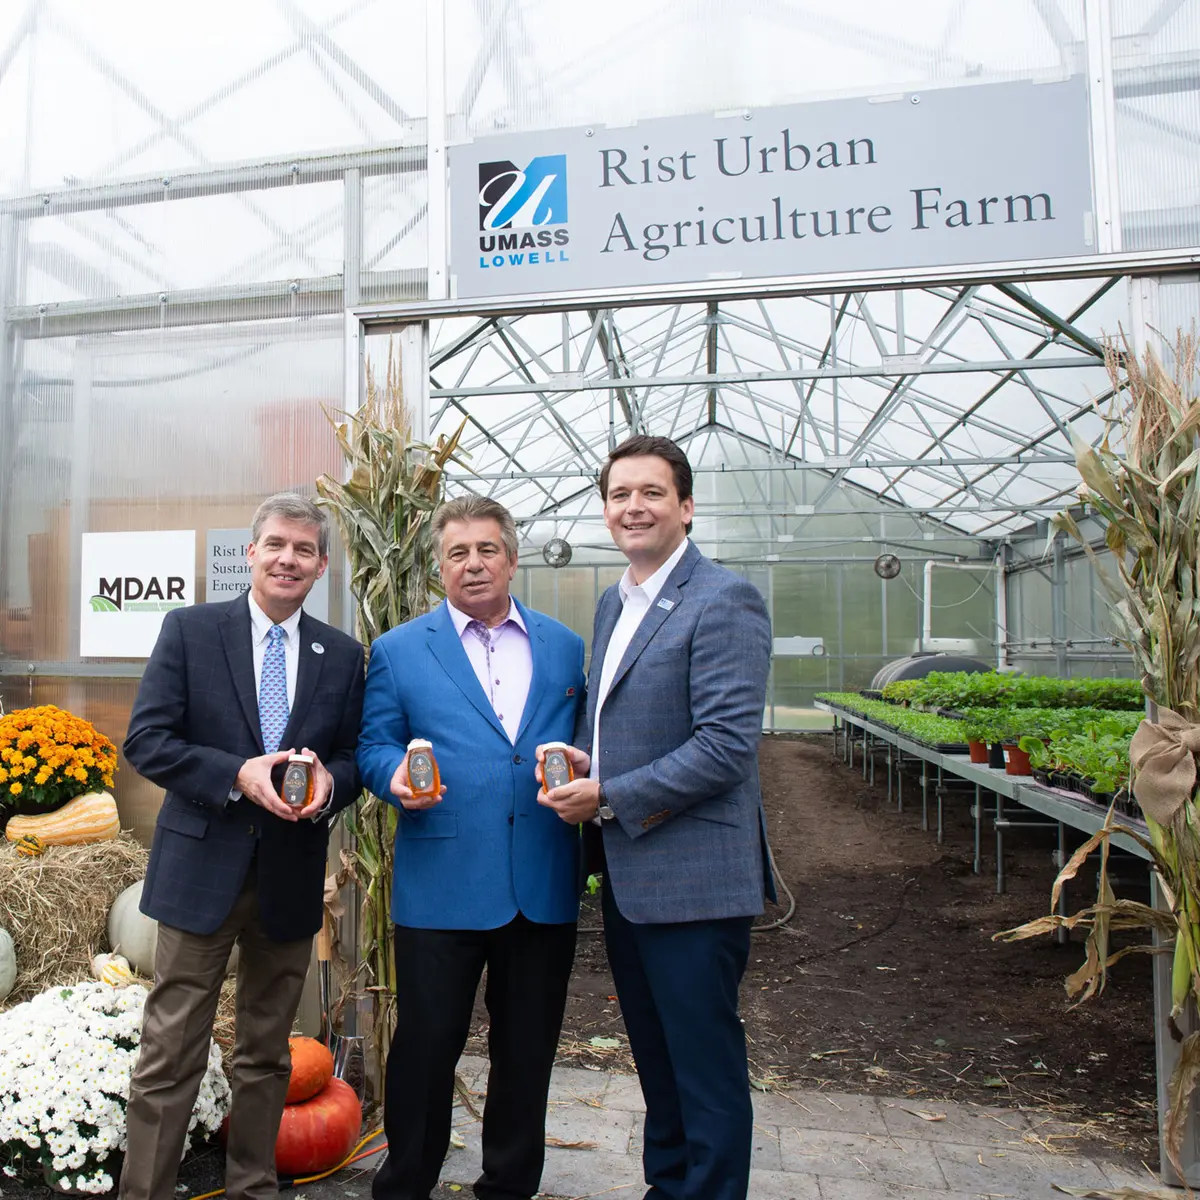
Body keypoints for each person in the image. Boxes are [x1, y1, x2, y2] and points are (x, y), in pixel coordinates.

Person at [539, 435, 773, 1200]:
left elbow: (725, 748)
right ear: (605, 510)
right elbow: (619, 723)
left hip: (694, 878)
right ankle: (668, 1186)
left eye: (651, 493)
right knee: (658, 1058)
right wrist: (583, 759)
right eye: (618, 495)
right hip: (633, 872)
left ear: (687, 507)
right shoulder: (617, 601)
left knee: (702, 1064)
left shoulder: (722, 599)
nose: (632, 507)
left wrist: (606, 795)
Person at [120, 493, 365, 1200]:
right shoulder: (192, 631)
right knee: (170, 1050)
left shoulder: (342, 655)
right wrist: (236, 773)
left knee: (266, 1052)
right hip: (201, 870)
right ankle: (146, 1191)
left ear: (321, 565)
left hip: (288, 877)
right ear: (251, 552)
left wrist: (331, 784)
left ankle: (252, 1186)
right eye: (276, 544)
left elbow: (350, 758)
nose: (288, 558)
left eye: (304, 549)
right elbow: (148, 741)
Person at [357, 495, 586, 1200]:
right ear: (439, 567)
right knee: (426, 1048)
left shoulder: (565, 646)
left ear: (511, 559)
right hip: (442, 880)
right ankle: (406, 1184)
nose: (474, 563)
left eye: (487, 549)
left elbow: (587, 742)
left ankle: (510, 1185)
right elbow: (374, 745)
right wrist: (395, 778)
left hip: (541, 879)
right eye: (458, 553)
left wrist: (584, 767)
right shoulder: (400, 650)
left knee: (527, 1052)